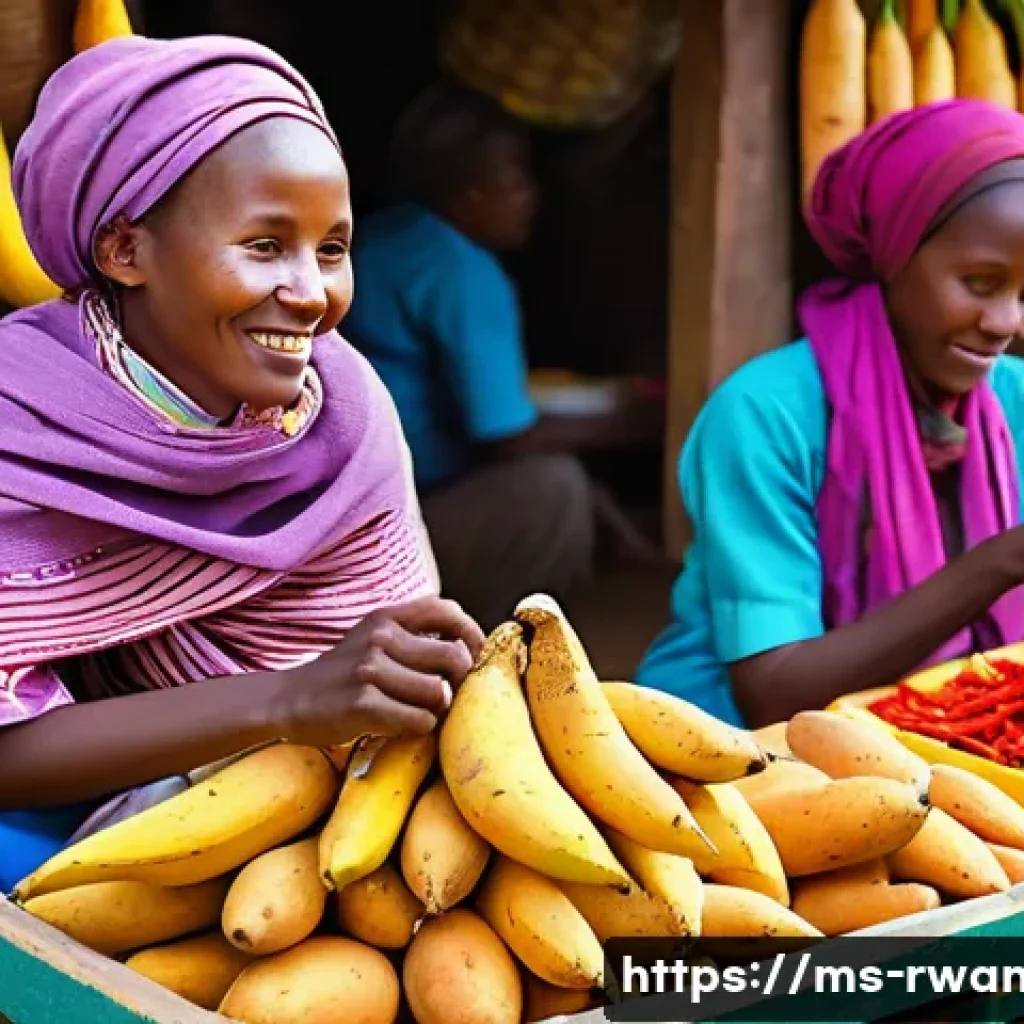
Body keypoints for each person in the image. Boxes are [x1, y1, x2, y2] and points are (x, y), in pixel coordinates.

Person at [0, 34, 487, 894]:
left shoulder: (344, 413)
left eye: (332, 249)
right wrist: (285, 701)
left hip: (319, 826)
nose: (312, 294)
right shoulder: (20, 418)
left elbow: (381, 695)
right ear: (123, 250)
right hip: (54, 833)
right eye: (265, 245)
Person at [636, 99, 1024, 730]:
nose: (1007, 322)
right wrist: (1000, 563)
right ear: (896, 253)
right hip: (727, 753)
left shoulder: (1015, 399)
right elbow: (773, 691)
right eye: (981, 283)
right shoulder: (764, 416)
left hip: (940, 738)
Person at [342, 81, 664, 631]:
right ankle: (486, 649)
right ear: (468, 195)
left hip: (343, 517)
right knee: (553, 489)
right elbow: (504, 438)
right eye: (516, 180)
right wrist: (640, 420)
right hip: (397, 534)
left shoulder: (385, 236)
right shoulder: (460, 269)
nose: (531, 197)